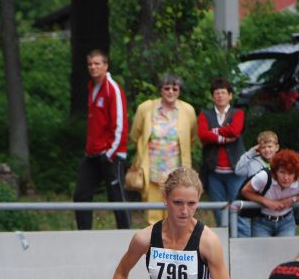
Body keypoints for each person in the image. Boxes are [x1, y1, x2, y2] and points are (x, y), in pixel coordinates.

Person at [129, 73, 198, 226]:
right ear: (160, 90)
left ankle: (175, 241)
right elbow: (135, 135)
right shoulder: (146, 108)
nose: (170, 92)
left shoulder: (188, 110)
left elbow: (192, 138)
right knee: (153, 216)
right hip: (152, 170)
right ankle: (154, 240)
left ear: (179, 91)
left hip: (177, 173)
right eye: (167, 88)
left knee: (176, 214)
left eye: (175, 89)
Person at [73, 49, 130, 230]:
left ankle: (126, 236)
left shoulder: (112, 88)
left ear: (106, 66)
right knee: (81, 194)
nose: (93, 67)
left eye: (97, 64)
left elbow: (119, 124)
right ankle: (84, 235)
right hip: (92, 153)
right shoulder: (92, 86)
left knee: (117, 196)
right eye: (90, 64)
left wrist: (110, 153)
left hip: (111, 153)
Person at [198, 77, 245, 228]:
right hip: (214, 173)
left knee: (239, 214)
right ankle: (224, 241)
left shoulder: (238, 113)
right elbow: (202, 134)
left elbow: (235, 130)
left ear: (230, 95)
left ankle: (241, 241)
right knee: (219, 214)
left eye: (223, 92)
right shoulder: (205, 114)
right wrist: (223, 138)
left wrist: (214, 131)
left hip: (236, 172)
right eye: (217, 93)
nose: (220, 96)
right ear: (212, 96)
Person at [240, 148, 299, 238]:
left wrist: (292, 200)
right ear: (275, 171)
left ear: (296, 174)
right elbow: (245, 191)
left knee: (286, 247)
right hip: (261, 221)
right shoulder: (263, 177)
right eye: (282, 172)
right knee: (260, 247)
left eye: (290, 173)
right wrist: (266, 201)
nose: (286, 178)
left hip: (287, 221)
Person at [233, 130, 280, 238]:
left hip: (278, 208)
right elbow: (238, 170)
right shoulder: (253, 162)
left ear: (277, 147)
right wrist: (251, 152)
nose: (267, 150)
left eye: (270, 146)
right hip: (259, 211)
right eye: (263, 147)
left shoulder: (283, 161)